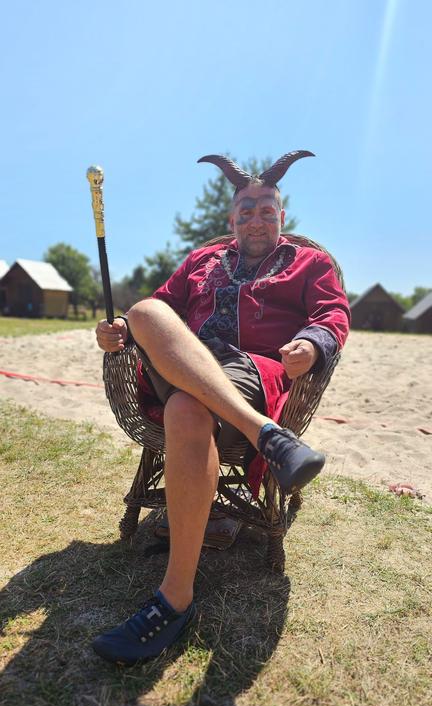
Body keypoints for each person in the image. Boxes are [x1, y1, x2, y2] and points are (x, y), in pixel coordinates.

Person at [93, 151, 351, 666]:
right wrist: (119, 329)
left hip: (251, 372)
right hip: (182, 364)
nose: (257, 218)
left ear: (281, 217)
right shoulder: (201, 260)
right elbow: (161, 309)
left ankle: (174, 599)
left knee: (187, 411)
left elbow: (333, 313)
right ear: (231, 219)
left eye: (267, 210)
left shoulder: (310, 264)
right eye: (246, 210)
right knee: (144, 310)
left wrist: (312, 343)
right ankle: (267, 436)